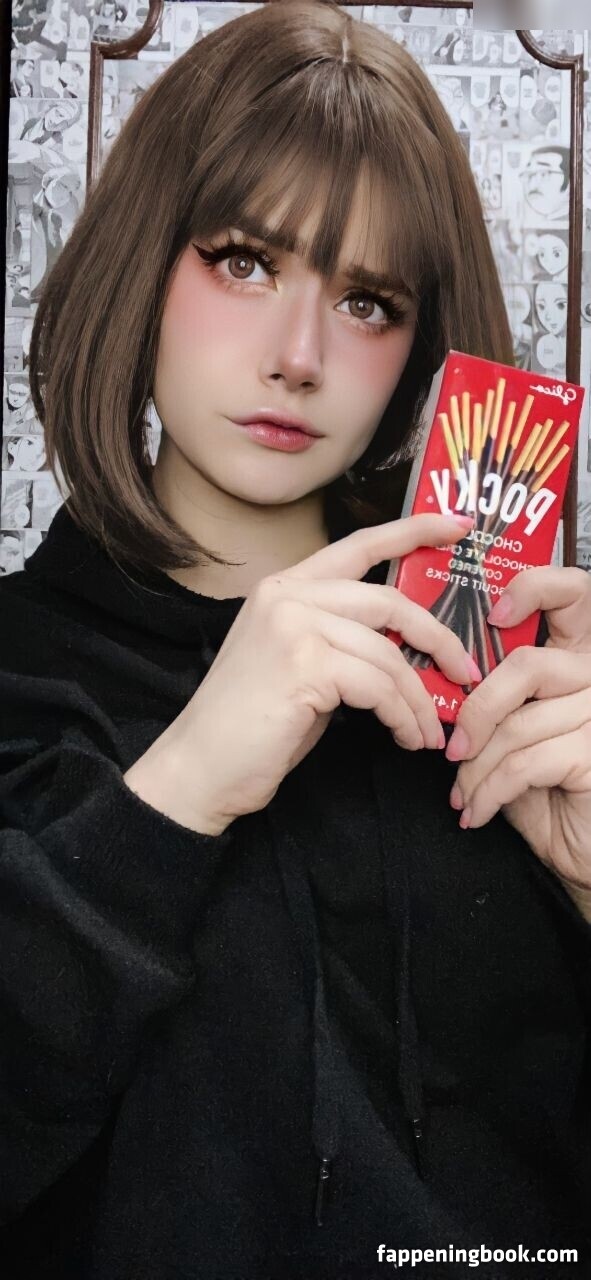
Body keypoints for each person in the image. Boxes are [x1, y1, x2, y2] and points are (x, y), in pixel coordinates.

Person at [1, 1, 590, 1277]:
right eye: (245, 261)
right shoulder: (20, 669)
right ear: (140, 258)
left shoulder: (513, 685)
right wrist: (179, 787)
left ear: (422, 349)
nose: (302, 355)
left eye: (369, 299)